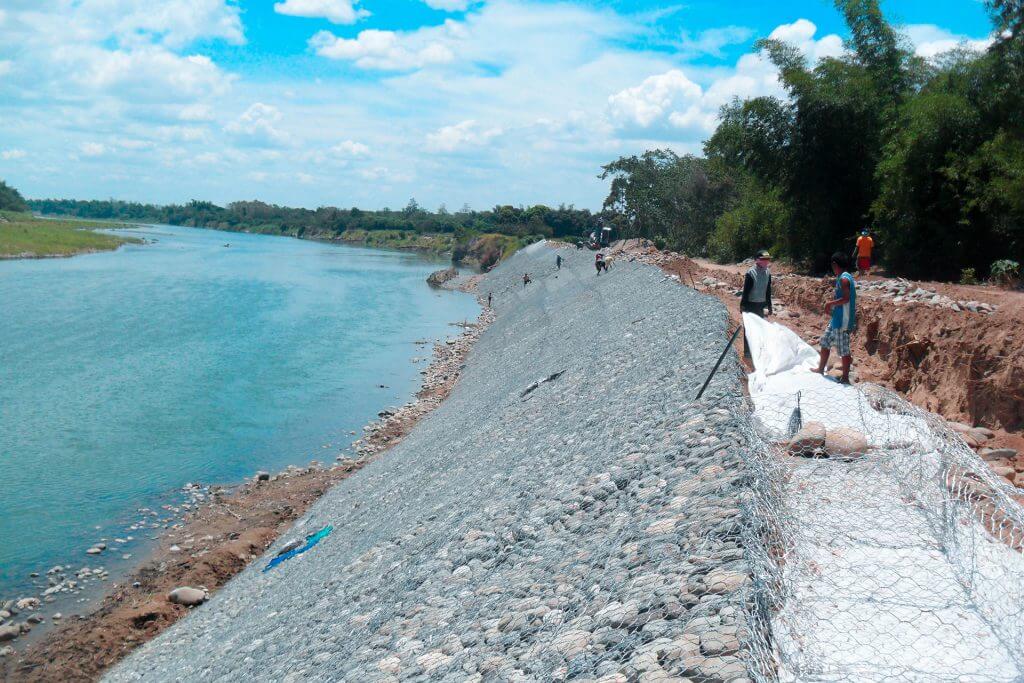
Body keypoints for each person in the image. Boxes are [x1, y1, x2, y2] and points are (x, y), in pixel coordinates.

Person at [811, 252, 857, 384]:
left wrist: (830, 303)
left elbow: (846, 298)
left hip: (844, 321)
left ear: (835, 264)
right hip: (837, 319)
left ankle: (846, 378)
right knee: (825, 341)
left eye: (832, 266)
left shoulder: (844, 279)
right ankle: (820, 369)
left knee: (843, 349)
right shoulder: (841, 277)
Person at [740, 250, 774, 318]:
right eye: (763, 259)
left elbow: (768, 290)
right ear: (757, 260)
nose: (766, 261)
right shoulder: (751, 273)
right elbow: (746, 291)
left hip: (762, 305)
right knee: (750, 326)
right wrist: (743, 305)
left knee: (761, 326)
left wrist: (769, 305)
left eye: (767, 259)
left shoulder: (768, 273)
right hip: (751, 305)